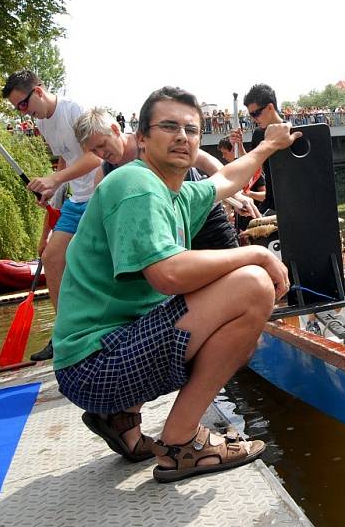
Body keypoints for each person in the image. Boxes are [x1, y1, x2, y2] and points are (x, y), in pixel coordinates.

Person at [52, 86, 301, 483]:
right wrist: (257, 254)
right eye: (168, 127)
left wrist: (269, 145)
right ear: (141, 138)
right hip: (96, 365)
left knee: (244, 329)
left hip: (100, 358)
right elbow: (166, 274)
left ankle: (120, 419)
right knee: (253, 286)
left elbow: (229, 179)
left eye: (191, 129)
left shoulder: (176, 191)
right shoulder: (136, 185)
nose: (182, 136)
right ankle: (181, 444)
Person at [2, 69, 102, 361]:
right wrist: (53, 193)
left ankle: (98, 329)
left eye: (24, 105)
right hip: (76, 198)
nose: (24, 113)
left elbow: (95, 156)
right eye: (18, 109)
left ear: (39, 90)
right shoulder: (43, 122)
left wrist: (55, 181)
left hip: (99, 195)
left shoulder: (75, 112)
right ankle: (64, 335)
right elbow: (64, 159)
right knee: (52, 257)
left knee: (83, 260)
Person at [76, 108, 259, 249]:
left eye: (102, 145)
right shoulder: (104, 176)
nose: (101, 153)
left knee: (237, 277)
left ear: (115, 130)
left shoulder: (153, 141)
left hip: (205, 218)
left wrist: (236, 194)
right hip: (168, 234)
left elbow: (205, 161)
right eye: (94, 151)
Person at [242, 83, 290, 214]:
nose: (253, 119)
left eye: (256, 113)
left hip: (294, 203)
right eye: (251, 115)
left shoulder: (294, 132)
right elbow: (255, 166)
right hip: (271, 204)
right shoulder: (258, 134)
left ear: (270, 107)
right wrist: (239, 146)